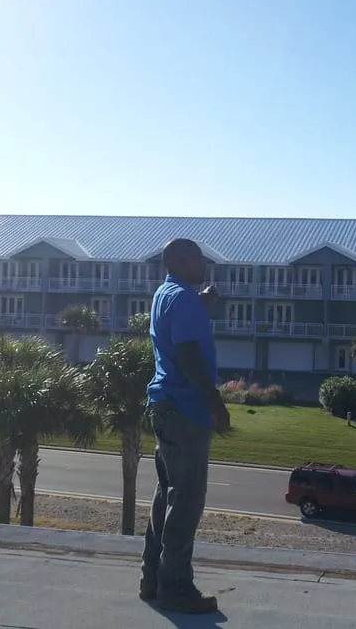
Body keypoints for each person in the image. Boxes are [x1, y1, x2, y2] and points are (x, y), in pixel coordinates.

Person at [139, 238, 231, 614]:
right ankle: (176, 588)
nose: (204, 265)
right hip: (186, 410)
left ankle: (152, 580)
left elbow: (182, 327)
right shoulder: (184, 299)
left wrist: (202, 303)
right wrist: (215, 402)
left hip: (165, 407)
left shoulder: (168, 293)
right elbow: (190, 354)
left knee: (167, 498)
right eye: (197, 259)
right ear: (177, 260)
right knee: (187, 501)